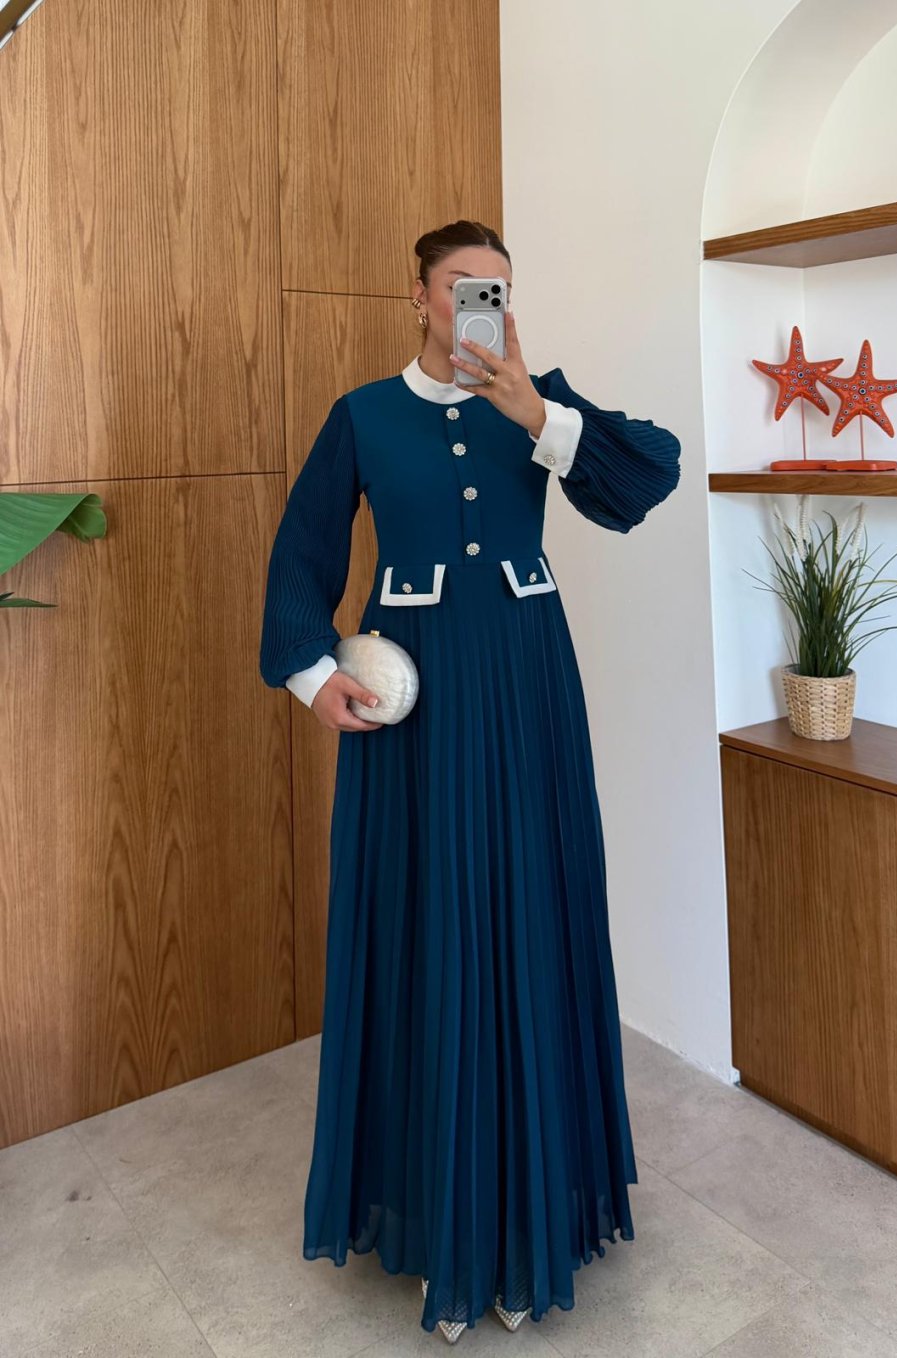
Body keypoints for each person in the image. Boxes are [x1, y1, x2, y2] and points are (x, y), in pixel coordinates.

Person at [259, 219, 682, 1343]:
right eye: (459, 288)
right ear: (418, 297)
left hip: (528, 684)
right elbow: (302, 553)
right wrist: (313, 673)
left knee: (530, 914)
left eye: (495, 289)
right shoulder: (361, 414)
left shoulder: (537, 404)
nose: (476, 307)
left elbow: (649, 473)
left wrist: (536, 412)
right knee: (427, 925)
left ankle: (531, 1217)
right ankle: (445, 1223)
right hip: (413, 701)